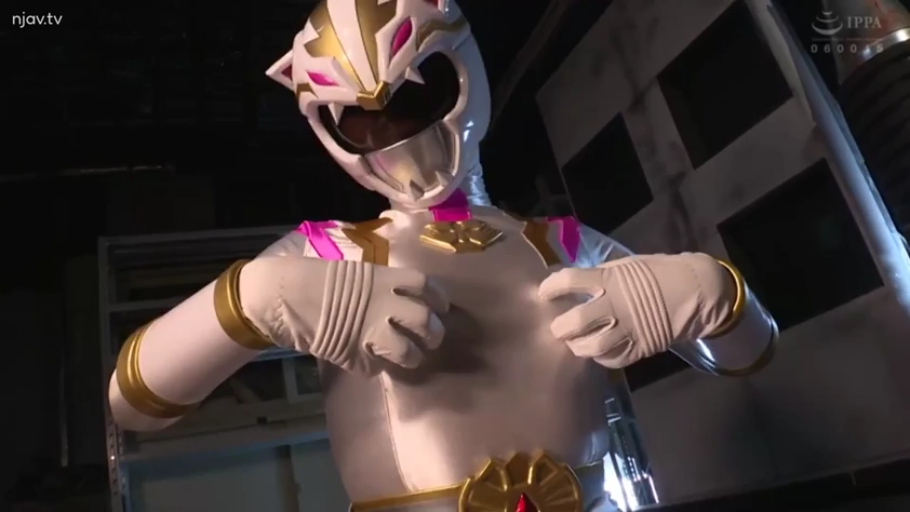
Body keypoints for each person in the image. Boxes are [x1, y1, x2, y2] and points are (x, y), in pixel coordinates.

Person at [108, 1, 778, 510]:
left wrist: (714, 293)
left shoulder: (562, 243)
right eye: (361, 120)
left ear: (461, 68)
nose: (394, 133)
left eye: (414, 95)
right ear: (328, 125)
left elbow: (747, 354)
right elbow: (134, 402)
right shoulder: (329, 251)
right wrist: (250, 300)